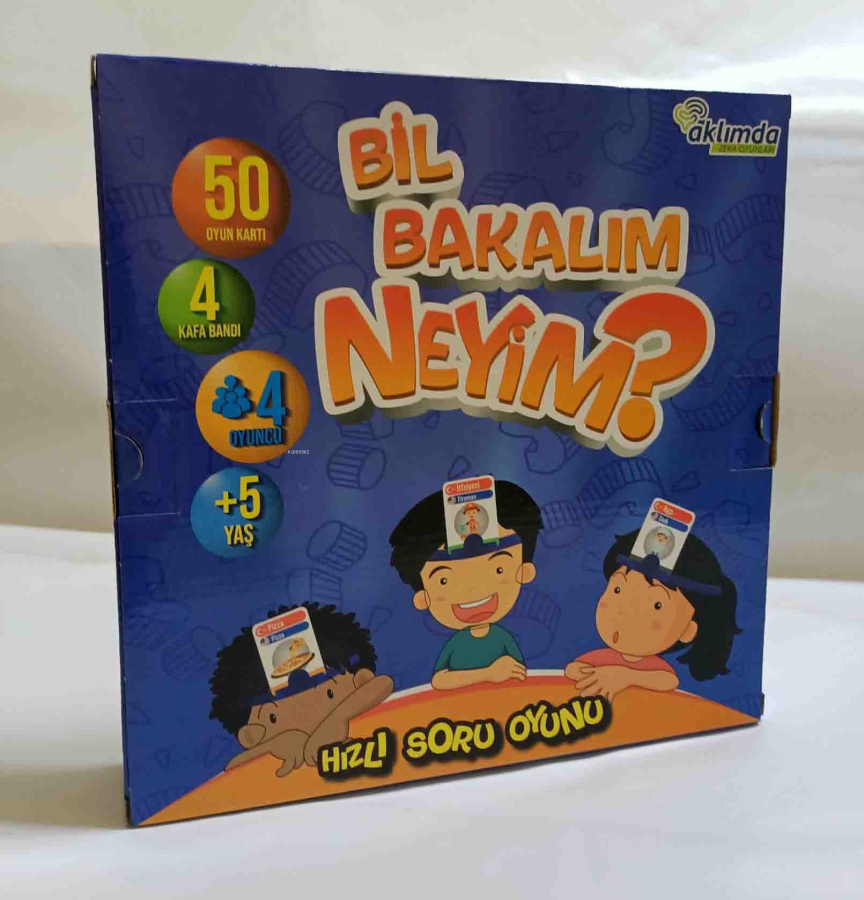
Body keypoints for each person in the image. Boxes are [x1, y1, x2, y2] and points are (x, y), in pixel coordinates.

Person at [390, 480, 543, 690]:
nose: (474, 589)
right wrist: (487, 674)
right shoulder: (458, 644)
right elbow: (439, 680)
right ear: (423, 598)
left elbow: (519, 674)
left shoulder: (501, 638)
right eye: (444, 581)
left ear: (524, 572)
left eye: (498, 569)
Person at [210, 603, 393, 776]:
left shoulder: (372, 718)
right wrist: (271, 746)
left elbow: (382, 684)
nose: (307, 714)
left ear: (361, 681)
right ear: (251, 735)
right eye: (273, 717)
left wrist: (337, 718)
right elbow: (232, 770)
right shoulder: (271, 760)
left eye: (330, 694)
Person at [565, 529, 740, 702]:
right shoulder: (604, 657)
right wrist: (586, 672)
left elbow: (669, 680)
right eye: (617, 589)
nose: (625, 610)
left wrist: (627, 676)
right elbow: (572, 669)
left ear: (688, 630)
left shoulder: (654, 668)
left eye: (657, 605)